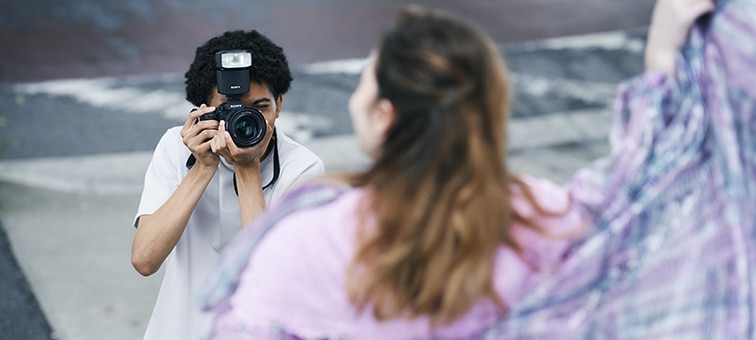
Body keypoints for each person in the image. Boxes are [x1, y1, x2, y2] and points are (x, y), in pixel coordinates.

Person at [202, 0, 754, 338]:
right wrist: (662, 69)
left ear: (383, 116)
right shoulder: (540, 221)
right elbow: (638, 198)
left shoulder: (307, 244)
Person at [130, 30, 325, 340]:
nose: (247, 120)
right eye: (230, 111)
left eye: (260, 107)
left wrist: (246, 169)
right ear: (203, 111)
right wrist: (201, 167)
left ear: (279, 105)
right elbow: (144, 259)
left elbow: (271, 278)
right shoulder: (175, 148)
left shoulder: (302, 169)